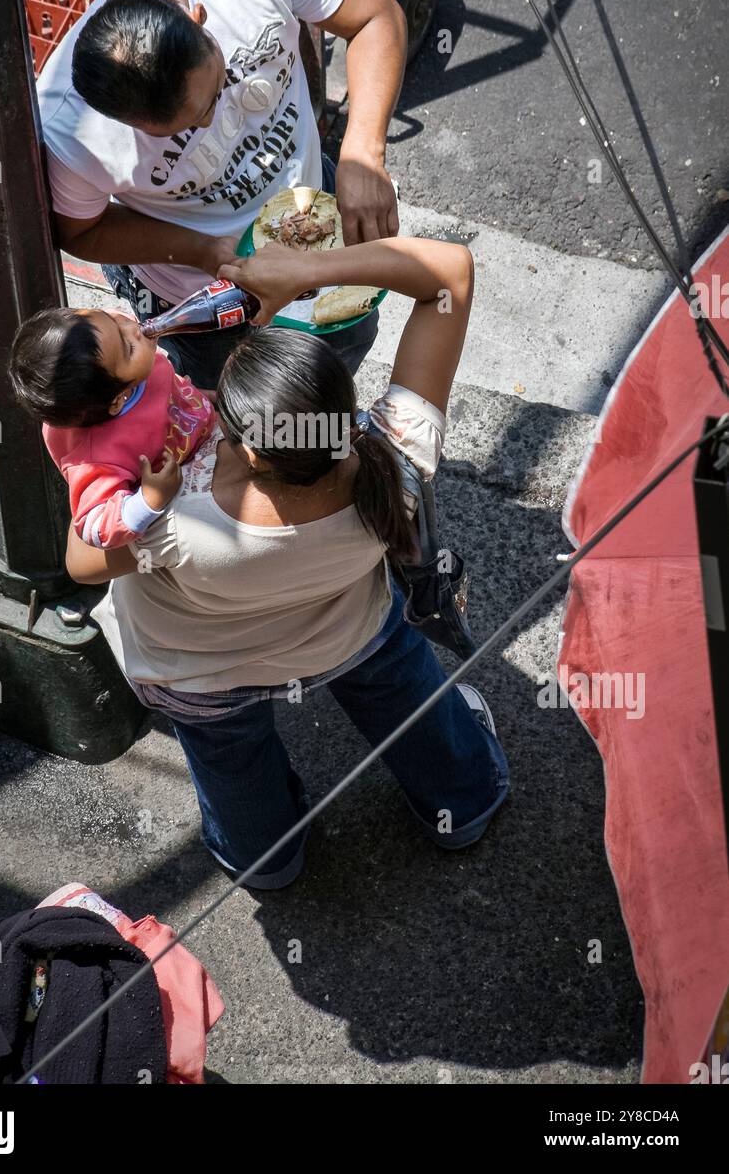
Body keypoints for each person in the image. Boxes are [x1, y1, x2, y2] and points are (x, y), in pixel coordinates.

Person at [66, 235, 509, 887]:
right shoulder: (396, 461)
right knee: (396, 678)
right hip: (345, 635)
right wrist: (309, 267)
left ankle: (266, 860)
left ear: (249, 452)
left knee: (230, 756)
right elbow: (450, 274)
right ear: (345, 405)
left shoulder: (176, 513)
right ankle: (462, 804)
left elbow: (82, 561)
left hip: (203, 673)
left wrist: (99, 459)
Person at [36, 0, 408, 387]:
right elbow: (82, 232)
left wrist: (363, 152)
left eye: (214, 93)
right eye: (181, 129)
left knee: (342, 347)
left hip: (315, 210)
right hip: (199, 293)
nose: (214, 120)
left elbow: (376, 17)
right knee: (236, 402)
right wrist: (208, 253)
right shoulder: (71, 131)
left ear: (198, 17)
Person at [8, 305, 215, 549]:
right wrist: (149, 499)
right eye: (128, 348)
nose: (133, 329)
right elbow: (93, 526)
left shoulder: (109, 351)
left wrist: (200, 397)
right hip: (191, 472)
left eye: (111, 320)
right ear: (119, 400)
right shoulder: (100, 456)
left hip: (200, 419)